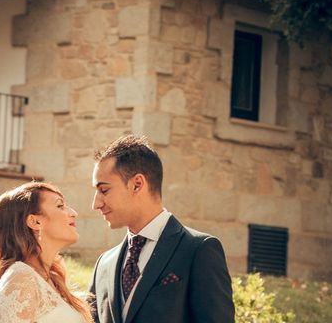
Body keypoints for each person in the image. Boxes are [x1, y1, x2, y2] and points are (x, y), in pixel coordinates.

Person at [89, 135, 234, 323]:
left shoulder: (199, 250)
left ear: (137, 184)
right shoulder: (104, 264)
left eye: (104, 190)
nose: (95, 203)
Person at [0, 181, 93, 323]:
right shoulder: (20, 278)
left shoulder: (51, 279)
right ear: (34, 222)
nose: (73, 213)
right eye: (60, 206)